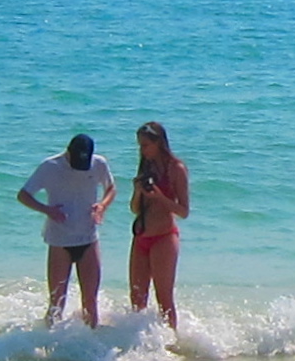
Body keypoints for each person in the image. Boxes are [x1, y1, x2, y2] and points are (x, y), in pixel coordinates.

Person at [16, 132, 115, 326]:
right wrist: (46, 210)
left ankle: (90, 351)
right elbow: (23, 195)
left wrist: (102, 205)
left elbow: (111, 188)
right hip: (60, 241)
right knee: (56, 303)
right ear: (68, 153)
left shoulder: (99, 164)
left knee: (90, 303)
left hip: (89, 239)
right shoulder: (50, 166)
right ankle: (51, 348)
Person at [127, 120, 190, 332]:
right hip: (141, 236)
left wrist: (160, 197)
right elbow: (135, 209)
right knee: (137, 296)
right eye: (140, 145)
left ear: (158, 143)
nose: (142, 150)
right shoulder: (146, 167)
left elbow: (183, 211)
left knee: (164, 297)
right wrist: (138, 191)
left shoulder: (176, 168)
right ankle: (138, 342)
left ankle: (171, 341)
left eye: (145, 145)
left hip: (164, 236)